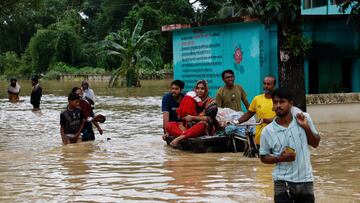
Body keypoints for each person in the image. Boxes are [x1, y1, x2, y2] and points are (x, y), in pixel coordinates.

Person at [260, 87, 320, 203]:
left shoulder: (304, 118)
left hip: (305, 179)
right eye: (275, 102)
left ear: (290, 103)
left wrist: (306, 127)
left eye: (282, 102)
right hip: (281, 181)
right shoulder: (267, 131)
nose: (278, 105)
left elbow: (315, 143)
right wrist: (279, 158)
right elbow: (263, 157)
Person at [166, 80, 218, 147]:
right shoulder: (191, 99)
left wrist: (193, 118)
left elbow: (209, 118)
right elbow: (181, 116)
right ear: (195, 89)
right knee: (169, 125)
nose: (199, 90)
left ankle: (180, 137)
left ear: (206, 90)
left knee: (203, 124)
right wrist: (184, 119)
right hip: (188, 127)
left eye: (202, 88)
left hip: (203, 128)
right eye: (197, 88)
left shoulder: (211, 102)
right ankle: (187, 134)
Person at [237, 76, 277, 146]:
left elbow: (281, 118)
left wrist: (265, 120)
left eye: (268, 84)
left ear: (274, 86)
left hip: (275, 137)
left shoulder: (279, 100)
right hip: (260, 138)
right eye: (264, 84)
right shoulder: (257, 99)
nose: (266, 86)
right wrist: (237, 122)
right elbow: (249, 114)